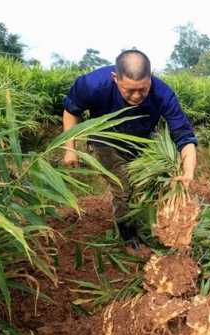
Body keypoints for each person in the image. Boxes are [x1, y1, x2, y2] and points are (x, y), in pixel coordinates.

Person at [62, 49, 197, 242]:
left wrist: (188, 171)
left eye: (143, 89)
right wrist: (70, 149)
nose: (136, 96)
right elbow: (70, 110)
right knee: (123, 186)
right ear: (115, 78)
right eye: (129, 90)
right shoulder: (93, 84)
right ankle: (127, 235)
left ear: (150, 78)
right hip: (104, 140)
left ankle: (153, 222)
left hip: (140, 142)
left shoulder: (163, 94)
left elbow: (184, 136)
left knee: (149, 183)